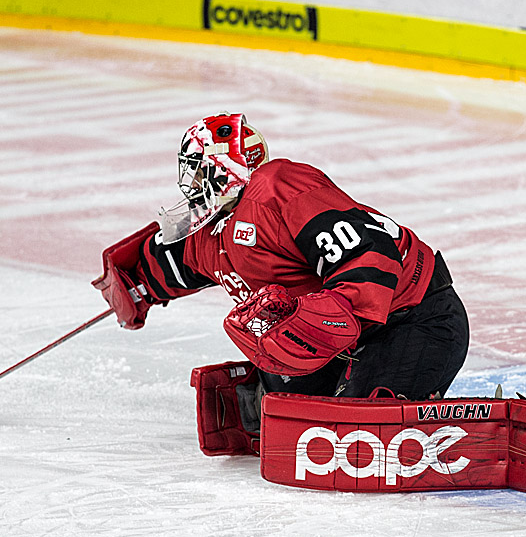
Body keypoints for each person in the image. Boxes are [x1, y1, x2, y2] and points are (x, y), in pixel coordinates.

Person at [93, 113, 469, 401]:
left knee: (353, 436)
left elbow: (370, 256)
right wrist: (135, 285)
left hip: (415, 317)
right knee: (280, 416)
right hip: (348, 340)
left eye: (200, 174)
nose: (191, 188)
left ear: (228, 167)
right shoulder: (209, 233)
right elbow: (174, 263)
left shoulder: (279, 189)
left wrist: (328, 313)